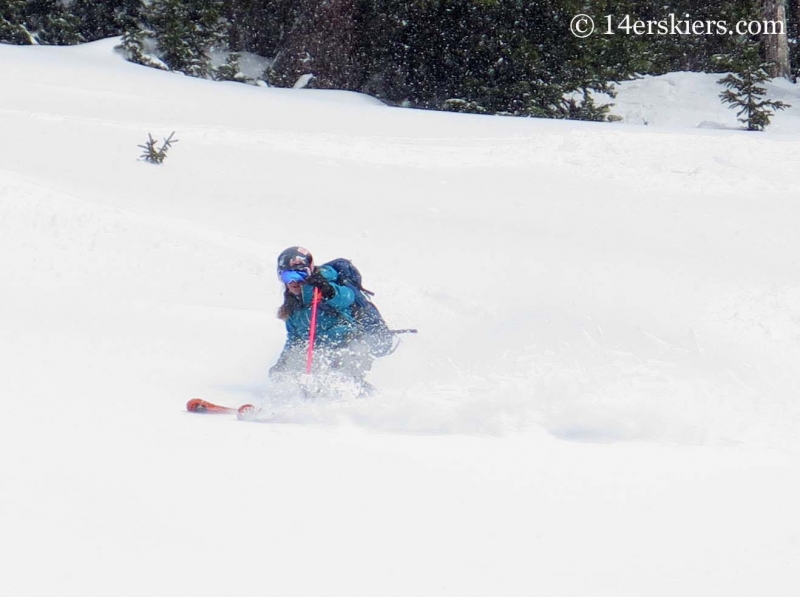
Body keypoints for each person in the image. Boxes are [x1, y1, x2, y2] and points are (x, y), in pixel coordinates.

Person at [269, 246, 374, 388]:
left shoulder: (322, 287)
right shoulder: (292, 307)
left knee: (345, 384)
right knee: (314, 385)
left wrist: (330, 291)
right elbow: (294, 339)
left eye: (300, 275)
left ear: (309, 272)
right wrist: (284, 363)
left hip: (349, 346)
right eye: (287, 276)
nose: (293, 281)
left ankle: (370, 404)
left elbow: (347, 297)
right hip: (323, 354)